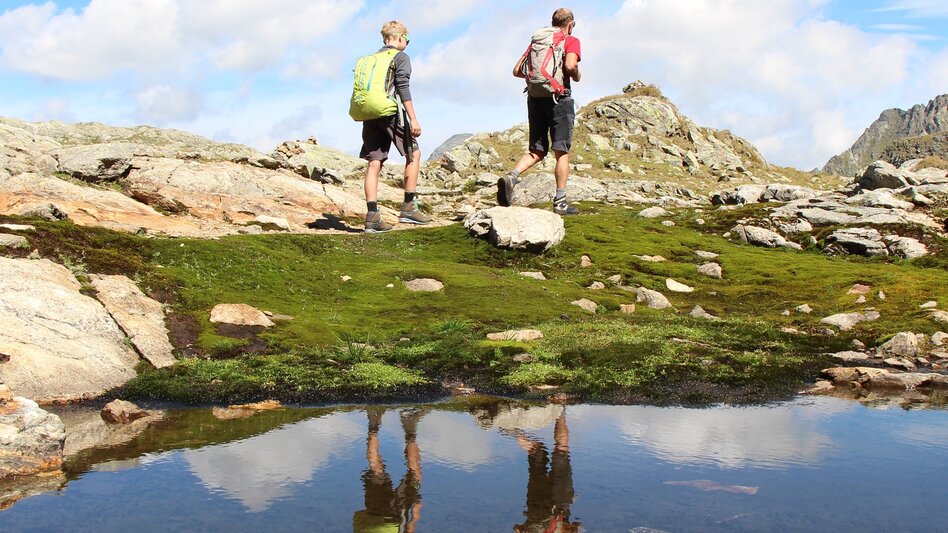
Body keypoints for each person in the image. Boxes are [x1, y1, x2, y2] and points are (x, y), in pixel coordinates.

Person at [498, 8, 582, 216]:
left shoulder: (538, 41)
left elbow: (517, 70)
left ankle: (513, 176)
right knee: (561, 151)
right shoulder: (570, 40)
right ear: (570, 23)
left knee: (536, 149)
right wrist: (576, 75)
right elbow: (571, 65)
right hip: (559, 99)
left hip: (535, 99)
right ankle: (560, 202)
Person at [358, 21, 431, 233]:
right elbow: (403, 88)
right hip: (390, 112)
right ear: (399, 37)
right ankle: (409, 207)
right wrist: (413, 119)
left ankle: (372, 216)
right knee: (414, 154)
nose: (407, 43)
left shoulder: (371, 58)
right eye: (407, 39)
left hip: (370, 113)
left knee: (374, 162)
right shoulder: (400, 57)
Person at [352, 407, 426, 533]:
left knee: (414, 477)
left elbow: (410, 527)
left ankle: (410, 425)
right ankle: (373, 422)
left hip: (389, 523)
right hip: (365, 524)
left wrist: (416, 506)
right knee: (376, 470)